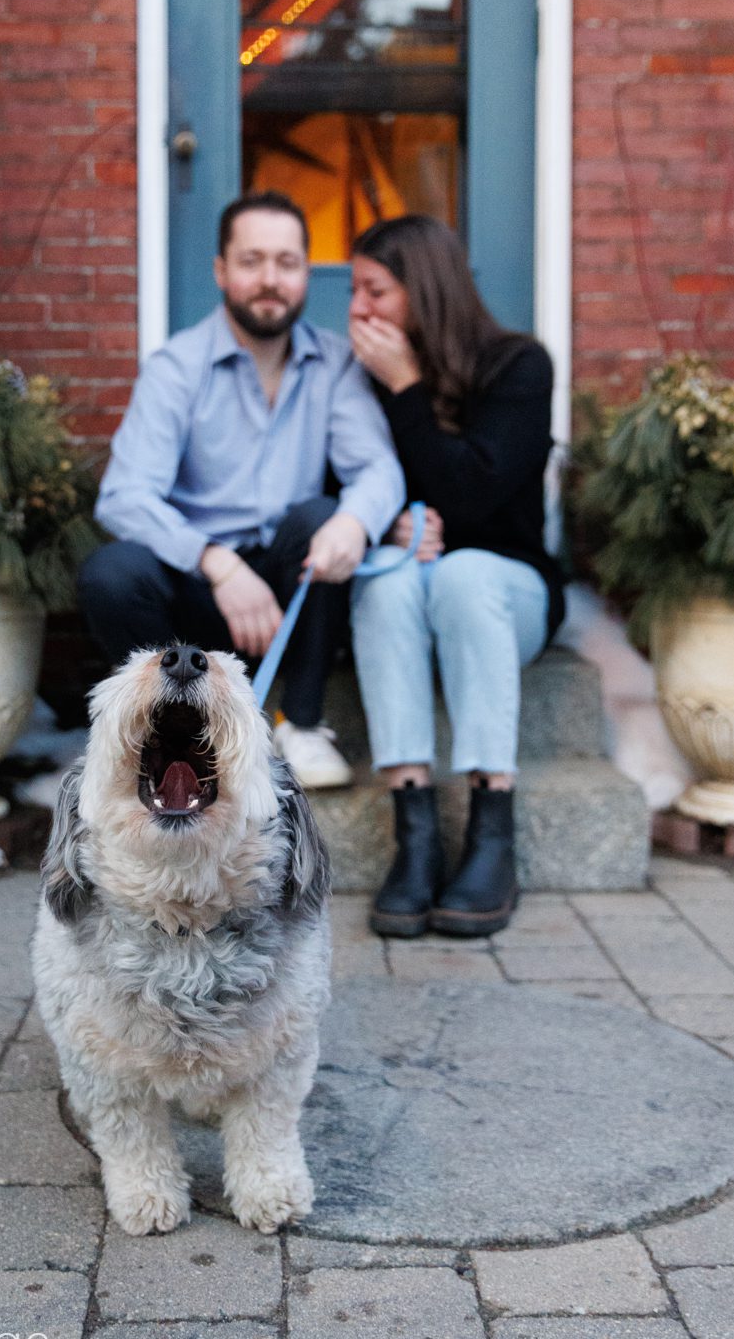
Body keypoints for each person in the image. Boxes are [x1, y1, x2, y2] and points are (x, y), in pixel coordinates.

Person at [80, 190, 405, 789]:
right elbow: (124, 495)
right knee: (112, 573)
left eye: (286, 262)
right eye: (252, 261)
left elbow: (378, 471)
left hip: (292, 592)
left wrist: (355, 522)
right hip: (198, 591)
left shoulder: (335, 364)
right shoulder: (177, 367)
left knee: (325, 516)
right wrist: (218, 564)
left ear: (306, 271)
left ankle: (301, 723)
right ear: (221, 271)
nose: (270, 280)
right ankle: (174, 734)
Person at [347, 214, 566, 938]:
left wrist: (408, 387)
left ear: (423, 290)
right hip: (413, 595)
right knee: (385, 578)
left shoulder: (519, 367)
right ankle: (415, 836)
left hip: (509, 595)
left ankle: (490, 829)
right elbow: (345, 483)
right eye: (354, 291)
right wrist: (389, 525)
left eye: (375, 291)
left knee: (467, 572)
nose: (358, 310)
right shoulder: (360, 381)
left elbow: (473, 493)